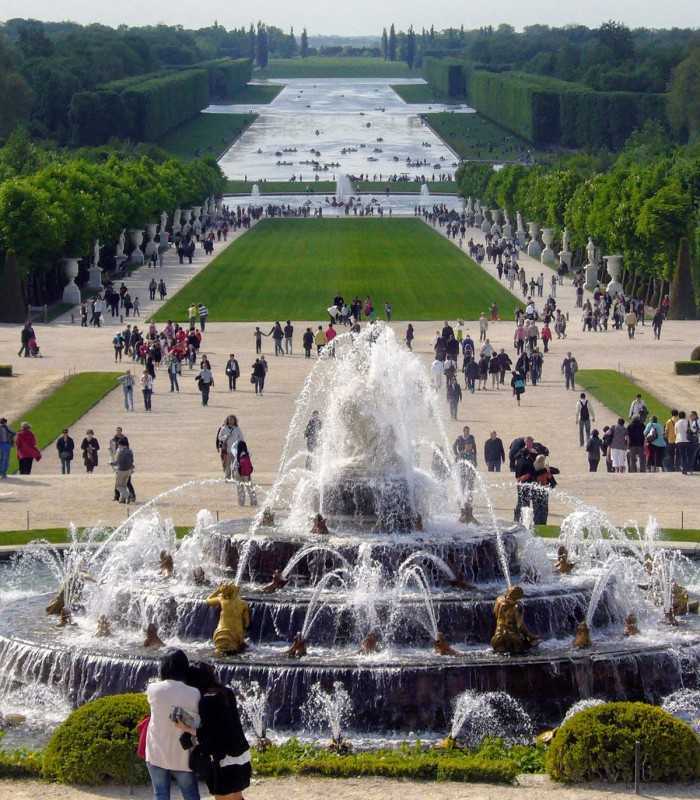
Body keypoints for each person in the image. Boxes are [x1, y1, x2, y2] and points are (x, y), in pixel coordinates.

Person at [179, 662, 251, 800]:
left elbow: (209, 735)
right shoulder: (226, 692)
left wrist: (185, 728)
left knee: (223, 797)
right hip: (241, 754)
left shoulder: (206, 701)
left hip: (223, 761)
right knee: (237, 796)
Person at [145, 649, 201, 800]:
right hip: (182, 756)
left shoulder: (153, 689)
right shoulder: (194, 693)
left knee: (160, 794)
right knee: (191, 795)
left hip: (156, 752)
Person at [517, 454, 559, 524]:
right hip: (537, 494)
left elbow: (553, 484)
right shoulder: (534, 473)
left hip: (543, 493)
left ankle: (540, 525)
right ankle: (538, 525)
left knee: (542, 513)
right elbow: (522, 481)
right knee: (538, 512)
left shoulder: (544, 472)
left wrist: (549, 476)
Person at [452, 426, 477, 493]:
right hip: (462, 456)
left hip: (470, 456)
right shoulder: (459, 438)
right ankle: (460, 498)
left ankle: (469, 501)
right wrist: (457, 454)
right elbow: (454, 446)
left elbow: (474, 446)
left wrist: (474, 455)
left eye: (468, 430)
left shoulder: (471, 437)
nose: (467, 432)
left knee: (470, 485)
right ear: (463, 431)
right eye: (466, 430)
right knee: (462, 483)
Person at [234, 441, 256, 505]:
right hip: (246, 473)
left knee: (240, 489)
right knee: (250, 488)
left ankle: (241, 503)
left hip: (238, 473)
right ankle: (253, 501)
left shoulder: (236, 453)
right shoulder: (248, 453)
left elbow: (234, 465)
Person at [112, 439, 135, 503]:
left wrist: (111, 463)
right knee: (123, 486)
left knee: (118, 486)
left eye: (119, 445)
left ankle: (128, 495)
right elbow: (132, 460)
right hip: (128, 471)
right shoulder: (130, 451)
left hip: (121, 471)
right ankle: (122, 499)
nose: (118, 446)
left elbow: (117, 462)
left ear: (121, 445)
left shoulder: (121, 452)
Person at [675, 411, 690, 475]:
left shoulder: (677, 422)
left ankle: (683, 469)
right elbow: (686, 430)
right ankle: (685, 468)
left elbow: (675, 432)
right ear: (684, 416)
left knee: (682, 455)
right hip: (686, 440)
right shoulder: (686, 421)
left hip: (679, 440)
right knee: (686, 455)